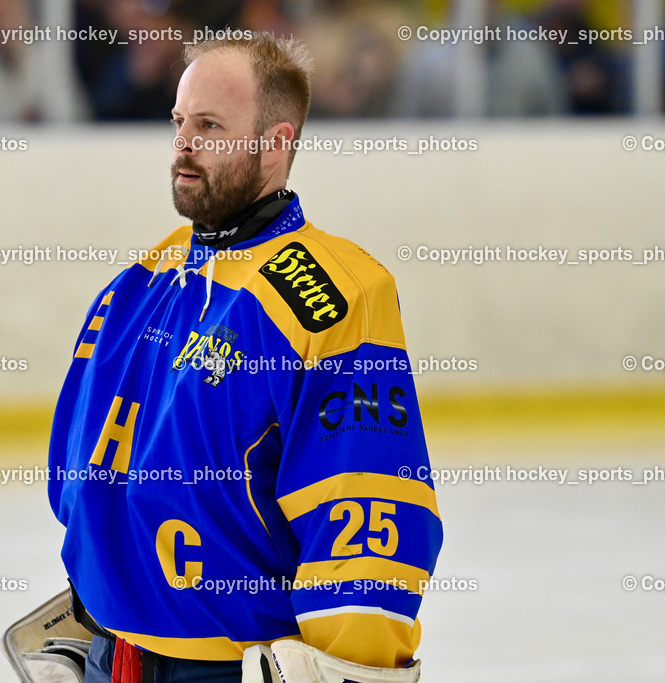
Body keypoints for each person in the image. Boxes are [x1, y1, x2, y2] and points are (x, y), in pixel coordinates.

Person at [47, 32, 443, 683]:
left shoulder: (337, 296)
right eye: (179, 122)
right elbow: (75, 474)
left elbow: (368, 512)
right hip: (111, 655)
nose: (183, 142)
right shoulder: (137, 285)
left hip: (233, 669)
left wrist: (353, 666)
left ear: (276, 142)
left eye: (210, 125)